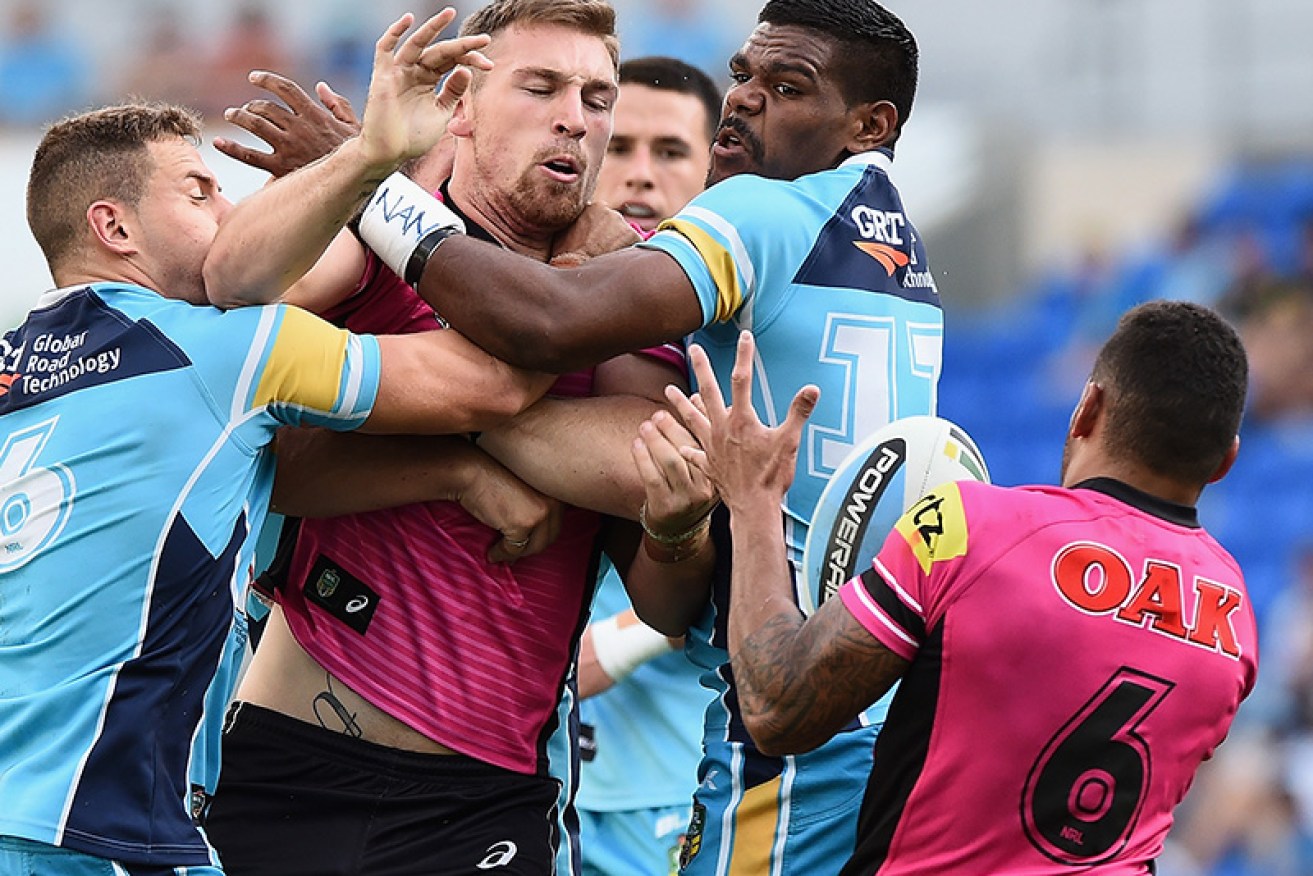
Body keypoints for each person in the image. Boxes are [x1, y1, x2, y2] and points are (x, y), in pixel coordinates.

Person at [358, 1, 938, 871]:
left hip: (794, 725)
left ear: (870, 124)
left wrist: (372, 192)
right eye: (743, 74)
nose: (743, 100)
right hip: (875, 706)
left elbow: (549, 324)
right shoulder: (899, 254)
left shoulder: (765, 213)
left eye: (785, 88)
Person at [0, 13, 553, 876]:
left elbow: (244, 483)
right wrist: (572, 240)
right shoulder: (223, 349)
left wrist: (449, 472)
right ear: (115, 230)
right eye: (199, 192)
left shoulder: (11, 367)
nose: (231, 209)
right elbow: (503, 375)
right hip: (105, 833)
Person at [198, 3, 711, 874]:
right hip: (286, 760)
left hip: (478, 801)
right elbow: (231, 285)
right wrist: (365, 163)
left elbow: (635, 473)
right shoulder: (379, 227)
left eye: (596, 98)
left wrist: (440, 394)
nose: (574, 119)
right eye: (541, 86)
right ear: (461, 103)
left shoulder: (620, 288)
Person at [669, 301, 1257, 874]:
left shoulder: (973, 527)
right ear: (1225, 460)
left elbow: (778, 710)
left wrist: (752, 499)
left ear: (1087, 408)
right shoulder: (1235, 620)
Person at [574, 56, 721, 876]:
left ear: (712, 172)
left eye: (669, 152)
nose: (637, 175)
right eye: (618, 145)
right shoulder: (524, 315)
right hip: (532, 777)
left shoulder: (738, 348)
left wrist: (620, 642)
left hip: (666, 789)